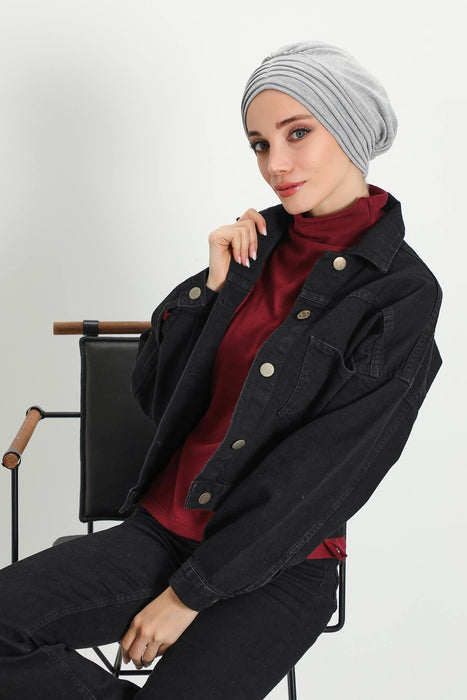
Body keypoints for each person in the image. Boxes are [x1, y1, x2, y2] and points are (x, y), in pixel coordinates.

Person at [0, 40, 443, 699]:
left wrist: (191, 593)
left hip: (280, 564)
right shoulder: (248, 252)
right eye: (259, 144)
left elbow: (326, 470)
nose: (275, 164)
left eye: (297, 133)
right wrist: (209, 291)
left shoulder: (402, 294)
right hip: (163, 530)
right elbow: (158, 397)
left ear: (348, 127)